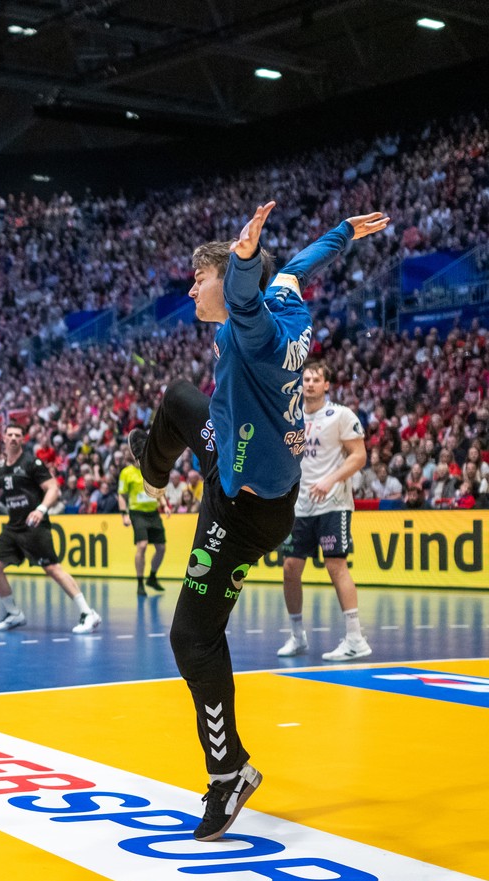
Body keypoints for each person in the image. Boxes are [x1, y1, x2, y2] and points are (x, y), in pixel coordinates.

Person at [129, 201, 388, 841]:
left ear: (229, 282)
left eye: (200, 279)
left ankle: (230, 773)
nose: (191, 288)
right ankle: (152, 468)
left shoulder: (254, 331)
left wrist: (242, 258)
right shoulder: (284, 302)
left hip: (245, 511)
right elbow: (297, 266)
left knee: (192, 638)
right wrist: (340, 233)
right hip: (247, 468)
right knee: (181, 401)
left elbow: (247, 295)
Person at [0, 423, 102, 634]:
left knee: (52, 569)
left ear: (22, 439)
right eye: (10, 434)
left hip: (34, 525)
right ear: (3, 438)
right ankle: (13, 614)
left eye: (18, 435)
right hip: (13, 527)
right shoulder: (0, 467)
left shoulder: (32, 462)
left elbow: (53, 488)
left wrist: (40, 509)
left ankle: (88, 613)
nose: (13, 438)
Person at [278, 361, 369, 662]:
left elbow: (359, 456)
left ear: (327, 385)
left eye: (317, 379)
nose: (311, 384)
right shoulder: (292, 418)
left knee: (335, 566)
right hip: (299, 505)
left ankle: (356, 639)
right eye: (306, 379)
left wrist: (330, 480)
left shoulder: (341, 415)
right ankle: (296, 636)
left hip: (333, 503)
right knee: (290, 569)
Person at [118, 445, 167, 597]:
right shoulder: (126, 473)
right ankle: (140, 583)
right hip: (137, 513)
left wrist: (165, 505)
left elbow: (158, 490)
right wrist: (124, 514)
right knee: (143, 545)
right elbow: (121, 495)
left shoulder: (150, 470)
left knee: (161, 548)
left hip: (153, 513)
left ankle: (152, 577)